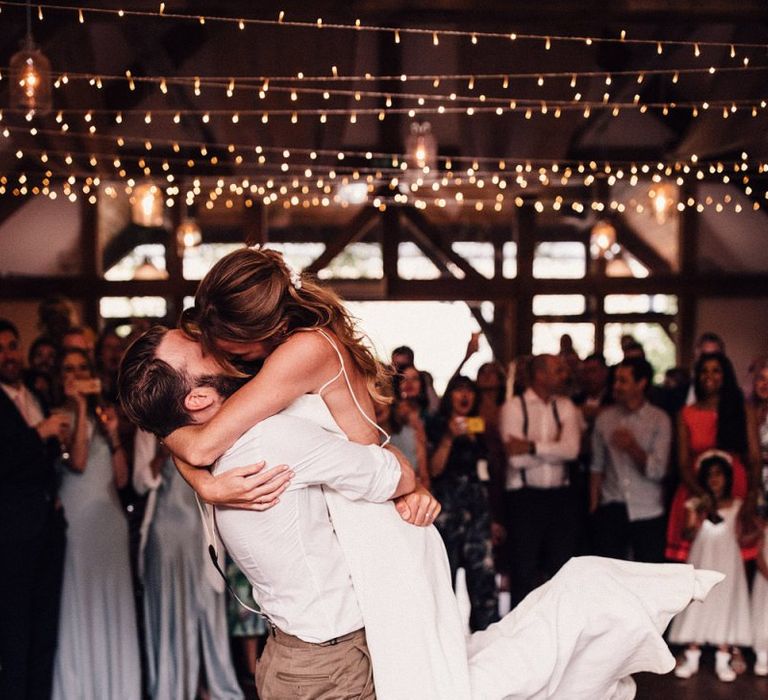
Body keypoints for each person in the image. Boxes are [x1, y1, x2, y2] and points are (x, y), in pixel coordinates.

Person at [119, 322, 726, 700]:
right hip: (334, 667)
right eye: (195, 349)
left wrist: (189, 456)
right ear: (198, 398)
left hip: (292, 661)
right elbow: (388, 471)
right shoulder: (268, 440)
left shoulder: (217, 447)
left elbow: (193, 437)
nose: (209, 339)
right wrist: (408, 481)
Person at [52, 348, 141, 699]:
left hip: (110, 524)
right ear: (62, 378)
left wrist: (114, 433)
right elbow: (77, 461)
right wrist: (79, 408)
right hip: (76, 524)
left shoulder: (108, 419)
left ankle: (118, 687)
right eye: (68, 369)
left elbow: (122, 480)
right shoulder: (57, 418)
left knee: (112, 607)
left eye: (81, 368)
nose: (75, 375)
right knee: (80, 604)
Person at [133, 429, 243, 700]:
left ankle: (216, 688)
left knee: (208, 606)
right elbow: (140, 482)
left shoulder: (206, 422)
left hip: (201, 531)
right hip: (166, 532)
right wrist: (163, 453)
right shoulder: (147, 427)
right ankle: (174, 688)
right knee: (172, 609)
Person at [0, 319, 69, 700]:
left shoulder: (34, 394)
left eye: (12, 346)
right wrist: (37, 434)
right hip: (10, 537)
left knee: (45, 634)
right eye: (2, 349)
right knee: (15, 636)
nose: (9, 355)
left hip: (47, 529)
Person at [497, 353, 582, 607]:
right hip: (524, 498)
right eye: (558, 370)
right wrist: (553, 446)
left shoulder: (566, 407)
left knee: (561, 570)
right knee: (523, 570)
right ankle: (521, 637)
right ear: (540, 375)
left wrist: (531, 447)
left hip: (560, 498)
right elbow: (515, 459)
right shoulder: (513, 407)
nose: (564, 375)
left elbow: (572, 451)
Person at [666, 352, 761, 563]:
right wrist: (704, 496)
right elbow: (682, 463)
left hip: (735, 486)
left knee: (733, 558)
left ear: (725, 375)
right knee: (698, 559)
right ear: (697, 376)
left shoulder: (741, 409)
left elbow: (754, 457)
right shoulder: (686, 413)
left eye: (716, 370)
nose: (709, 376)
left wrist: (752, 495)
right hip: (696, 485)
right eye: (704, 371)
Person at [428, 375, 503, 631]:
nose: (464, 396)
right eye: (458, 391)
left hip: (478, 512)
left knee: (484, 582)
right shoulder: (436, 425)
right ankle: (443, 642)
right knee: (443, 578)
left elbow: (491, 476)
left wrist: (494, 518)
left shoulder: (480, 427)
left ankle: (487, 641)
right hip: (447, 512)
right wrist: (449, 437)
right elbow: (434, 470)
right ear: (449, 396)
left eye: (469, 391)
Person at [668, 452, 752, 682]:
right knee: (698, 601)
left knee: (725, 602)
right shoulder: (695, 503)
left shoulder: (736, 504)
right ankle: (692, 654)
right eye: (710, 475)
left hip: (727, 561)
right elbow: (687, 532)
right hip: (702, 558)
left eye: (719, 474)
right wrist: (699, 513)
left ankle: (723, 656)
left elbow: (743, 535)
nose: (714, 479)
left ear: (727, 477)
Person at [590, 358, 671, 563]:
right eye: (615, 380)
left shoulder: (659, 419)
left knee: (648, 573)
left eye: (623, 381)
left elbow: (658, 471)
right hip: (612, 507)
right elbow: (597, 467)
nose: (616, 386)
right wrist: (594, 508)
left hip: (647, 508)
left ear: (641, 383)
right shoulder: (605, 419)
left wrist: (632, 447)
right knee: (610, 574)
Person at [752, 519, 768, 676]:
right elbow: (758, 553)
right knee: (763, 615)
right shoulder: (764, 526)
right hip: (765, 577)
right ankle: (762, 655)